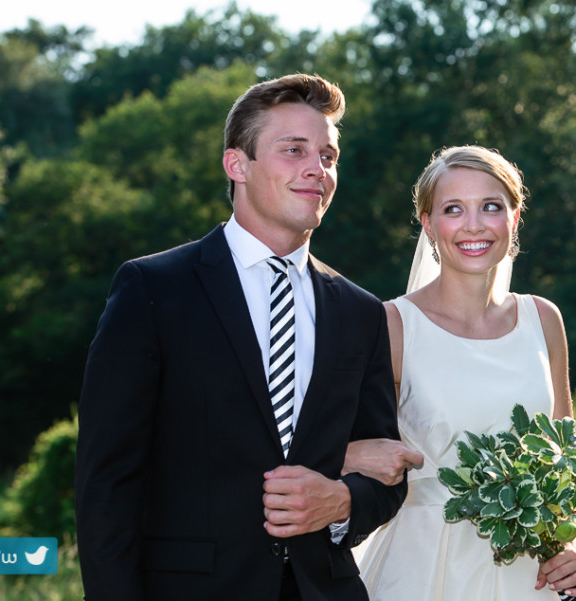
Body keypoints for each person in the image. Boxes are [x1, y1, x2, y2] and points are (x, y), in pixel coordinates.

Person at [75, 74, 407, 601]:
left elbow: (387, 476)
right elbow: (106, 483)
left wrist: (342, 501)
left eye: (328, 155)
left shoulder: (361, 312)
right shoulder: (153, 289)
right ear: (238, 165)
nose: (316, 169)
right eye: (293, 150)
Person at [334, 146, 576, 600]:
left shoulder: (544, 319)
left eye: (491, 207)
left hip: (536, 572)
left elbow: (566, 458)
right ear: (427, 224)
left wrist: (572, 545)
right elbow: (331, 440)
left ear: (514, 218)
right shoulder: (392, 325)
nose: (474, 225)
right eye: (453, 209)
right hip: (426, 568)